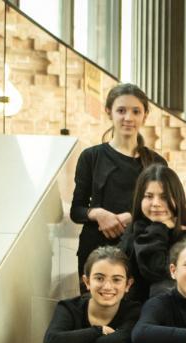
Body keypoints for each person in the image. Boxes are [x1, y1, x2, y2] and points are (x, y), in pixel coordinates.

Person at [70, 82, 163, 272]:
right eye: (121, 110)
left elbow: (166, 209)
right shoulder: (91, 156)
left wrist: (129, 217)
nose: (128, 117)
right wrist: (98, 214)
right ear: (108, 112)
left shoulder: (156, 162)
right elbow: (76, 210)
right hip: (94, 250)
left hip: (141, 250)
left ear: (144, 116)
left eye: (136, 111)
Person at [118, 164, 186, 296]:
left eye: (164, 197)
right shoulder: (136, 228)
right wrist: (160, 227)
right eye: (148, 196)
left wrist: (158, 229)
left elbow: (158, 273)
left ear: (177, 197)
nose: (156, 203)